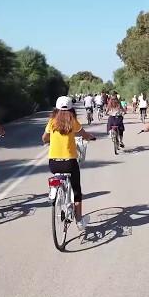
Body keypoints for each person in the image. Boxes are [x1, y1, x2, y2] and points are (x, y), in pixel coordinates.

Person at [42, 96, 96, 230]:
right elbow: (84, 134)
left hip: (53, 163)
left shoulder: (51, 122)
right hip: (69, 163)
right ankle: (79, 220)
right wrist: (91, 137)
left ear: (56, 108)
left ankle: (59, 193)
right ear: (71, 108)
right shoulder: (73, 121)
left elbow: (44, 138)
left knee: (59, 178)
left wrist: (48, 140)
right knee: (77, 190)